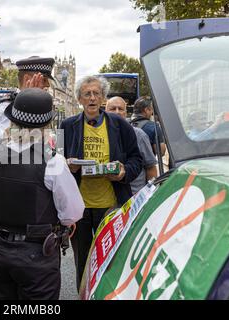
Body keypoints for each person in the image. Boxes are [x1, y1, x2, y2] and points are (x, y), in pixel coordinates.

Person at [0, 88, 84, 300]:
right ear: (47, 125)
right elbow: (73, 213)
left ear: (13, 120)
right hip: (35, 254)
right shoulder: (52, 161)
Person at [60, 75, 142, 290]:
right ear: (79, 99)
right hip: (80, 207)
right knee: (83, 263)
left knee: (112, 260)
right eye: (87, 94)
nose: (92, 98)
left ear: (104, 98)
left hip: (111, 205)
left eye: (97, 93)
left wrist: (123, 172)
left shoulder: (120, 125)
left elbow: (136, 159)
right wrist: (66, 166)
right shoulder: (67, 126)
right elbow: (55, 160)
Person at [0, 56, 55, 141]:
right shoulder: (6, 108)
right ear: (27, 80)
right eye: (44, 80)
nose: (48, 85)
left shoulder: (40, 106)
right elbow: (9, 145)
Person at [106, 97, 157, 194]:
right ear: (105, 112)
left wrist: (150, 193)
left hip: (134, 196)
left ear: (125, 113)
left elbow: (150, 167)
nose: (117, 112)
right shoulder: (99, 134)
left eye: (120, 109)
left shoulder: (139, 135)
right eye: (113, 109)